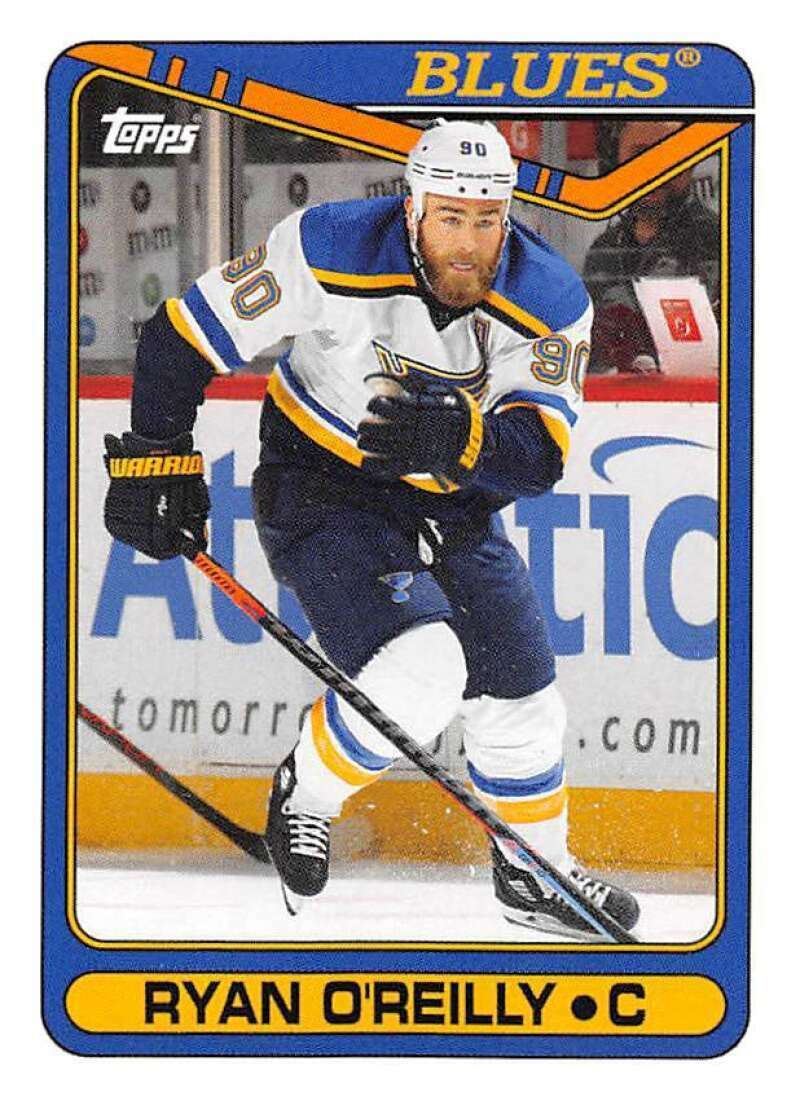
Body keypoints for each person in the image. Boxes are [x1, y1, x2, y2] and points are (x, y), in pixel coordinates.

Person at [103, 120, 639, 941]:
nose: (469, 244)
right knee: (426, 669)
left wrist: (458, 440)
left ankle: (536, 872)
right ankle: (307, 793)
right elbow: (181, 334)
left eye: (487, 221)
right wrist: (156, 454)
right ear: (413, 207)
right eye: (450, 218)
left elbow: (538, 456)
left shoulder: (550, 296)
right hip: (323, 481)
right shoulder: (328, 246)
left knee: (522, 694)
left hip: (452, 497)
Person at [583, 120, 720, 374]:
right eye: (641, 154)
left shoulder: (721, 246)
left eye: (671, 152)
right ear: (615, 161)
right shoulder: (603, 251)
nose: (657, 169)